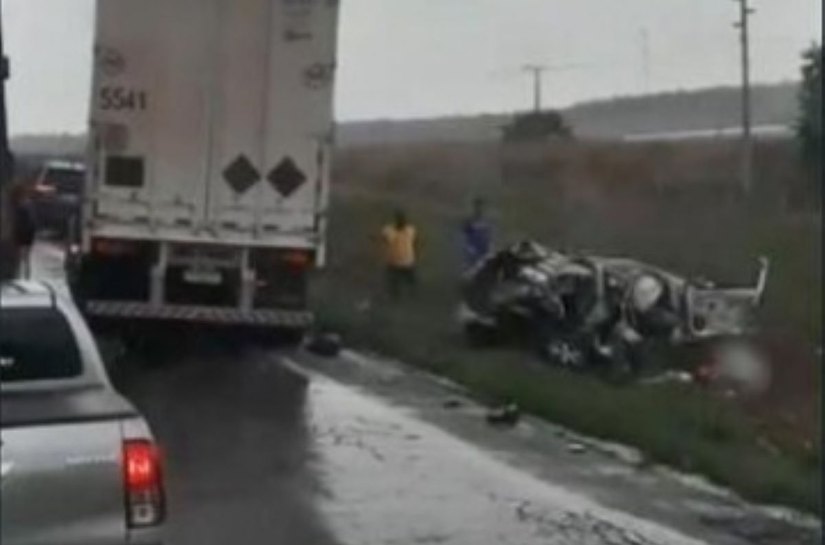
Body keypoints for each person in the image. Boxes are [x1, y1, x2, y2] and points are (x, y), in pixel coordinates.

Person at [381, 209, 417, 300]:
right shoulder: (410, 230)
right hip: (408, 260)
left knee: (392, 276)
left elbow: (385, 238)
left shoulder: (389, 231)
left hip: (394, 261)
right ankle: (412, 286)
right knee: (410, 274)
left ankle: (394, 293)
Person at [461, 197, 493, 272]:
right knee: (472, 263)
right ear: (475, 208)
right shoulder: (469, 220)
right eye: (478, 206)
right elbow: (466, 234)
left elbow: (489, 236)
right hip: (474, 248)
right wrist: (469, 247)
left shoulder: (487, 221)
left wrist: (490, 246)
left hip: (484, 248)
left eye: (481, 206)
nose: (480, 209)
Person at [12, 185, 37, 279]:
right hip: (28, 233)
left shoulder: (21, 206)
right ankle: (26, 277)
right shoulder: (29, 204)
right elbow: (32, 221)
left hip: (23, 234)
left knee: (21, 257)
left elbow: (18, 221)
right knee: (26, 257)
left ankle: (19, 276)